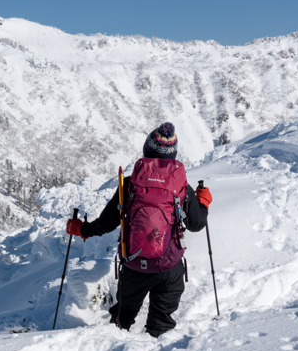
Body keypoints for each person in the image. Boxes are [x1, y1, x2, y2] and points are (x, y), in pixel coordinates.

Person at [66, 122, 212, 337]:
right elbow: (196, 225)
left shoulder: (129, 184)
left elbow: (106, 223)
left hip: (134, 265)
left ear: (147, 151)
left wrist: (82, 229)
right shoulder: (182, 189)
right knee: (161, 326)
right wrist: (203, 203)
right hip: (169, 267)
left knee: (120, 320)